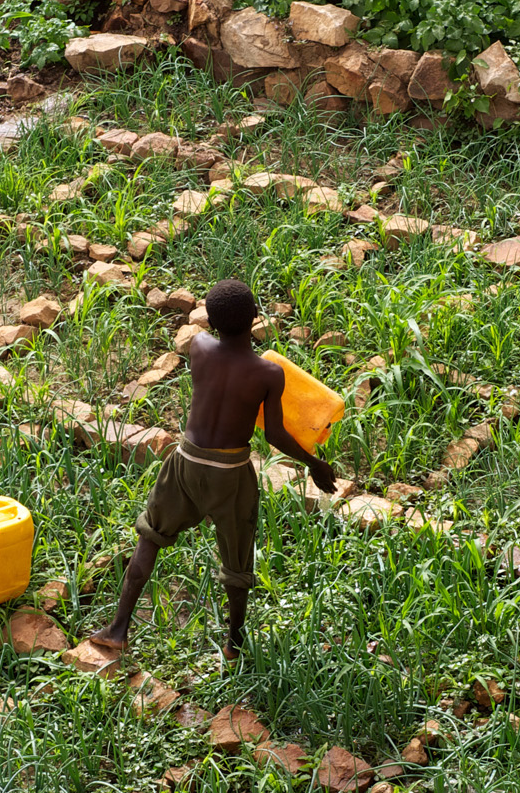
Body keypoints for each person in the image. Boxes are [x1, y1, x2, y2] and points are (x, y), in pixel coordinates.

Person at [89, 279, 337, 660]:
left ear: (211, 319)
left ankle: (119, 628)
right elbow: (273, 433)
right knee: (236, 563)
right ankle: (234, 645)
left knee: (151, 536)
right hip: (230, 471)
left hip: (185, 461)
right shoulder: (269, 374)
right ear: (255, 317)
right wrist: (314, 463)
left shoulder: (200, 347)